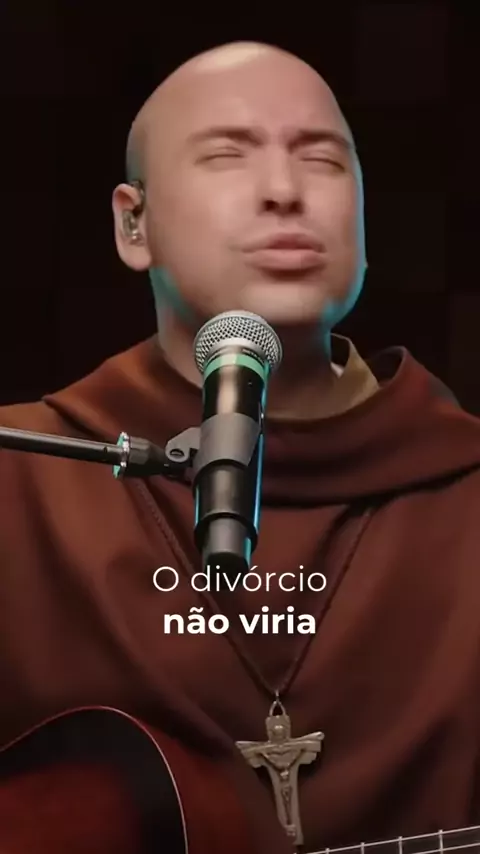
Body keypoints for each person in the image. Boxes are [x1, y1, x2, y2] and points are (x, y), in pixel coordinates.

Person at [1, 39, 480, 854]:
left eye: (322, 160)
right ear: (133, 224)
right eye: (228, 154)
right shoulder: (20, 472)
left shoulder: (463, 483)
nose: (284, 190)